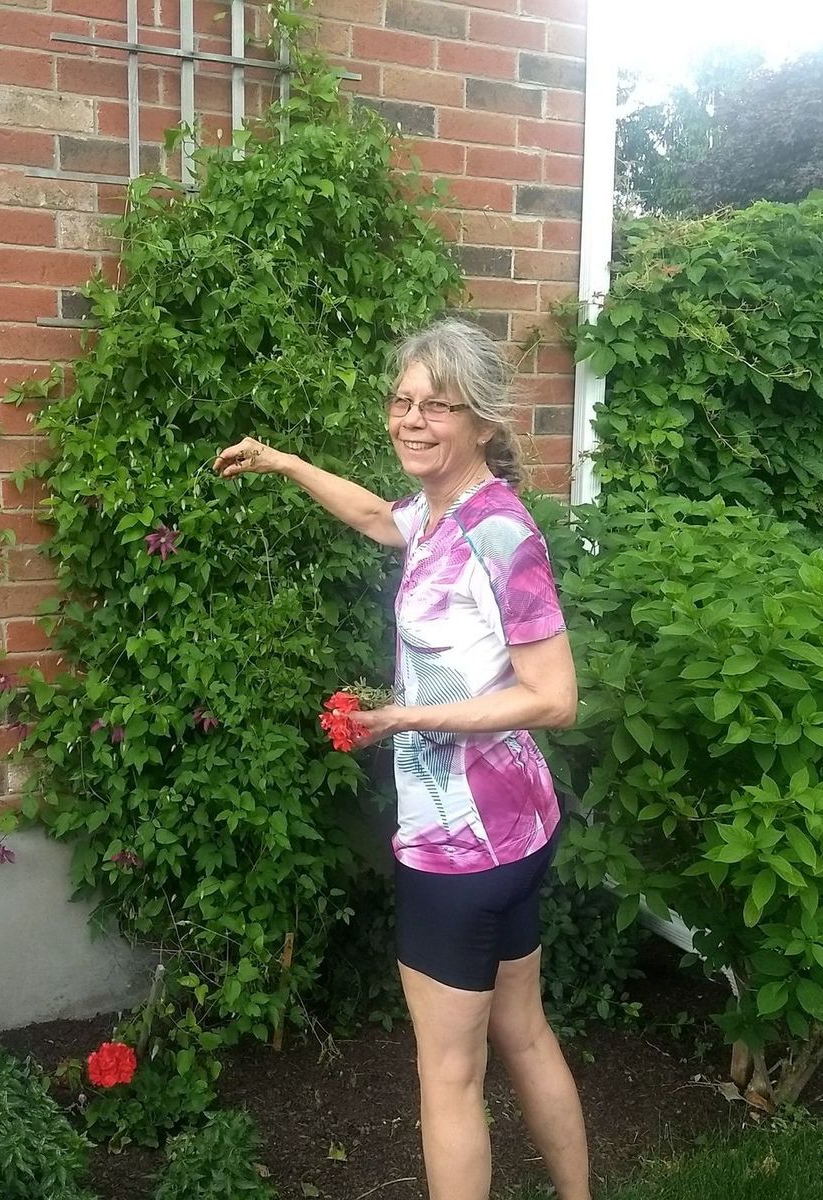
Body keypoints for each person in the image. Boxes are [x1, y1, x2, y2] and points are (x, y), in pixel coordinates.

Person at [213, 318, 591, 1200]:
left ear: (483, 423)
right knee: (523, 1031)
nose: (412, 420)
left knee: (448, 1076)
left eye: (437, 406)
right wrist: (283, 462)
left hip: (462, 849)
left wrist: (407, 717)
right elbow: (378, 515)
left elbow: (555, 697)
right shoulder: (442, 514)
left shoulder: (501, 535)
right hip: (514, 830)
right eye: (402, 401)